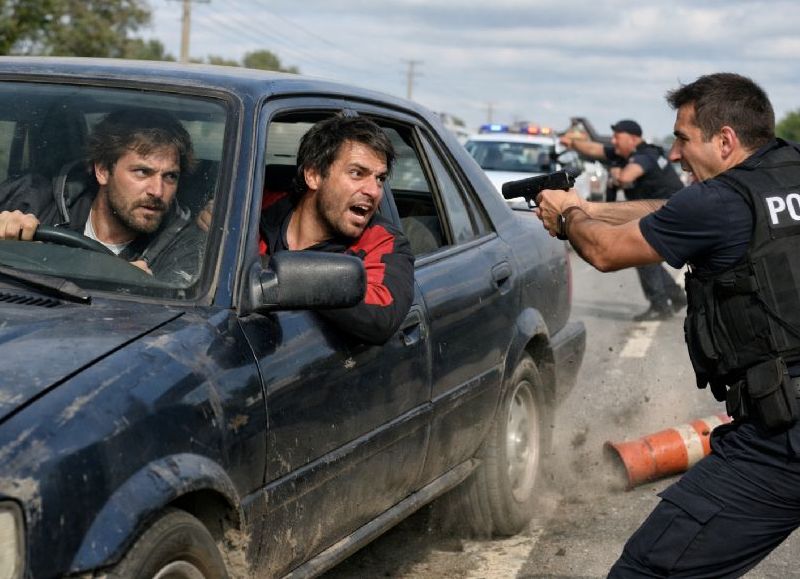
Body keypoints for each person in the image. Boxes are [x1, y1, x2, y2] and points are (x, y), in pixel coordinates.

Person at [537, 72, 800, 577]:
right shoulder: (783, 174)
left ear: (725, 141)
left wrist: (571, 219)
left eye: (682, 138)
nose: (675, 154)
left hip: (781, 441)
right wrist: (592, 207)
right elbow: (676, 211)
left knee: (649, 569)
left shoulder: (722, 200)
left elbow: (605, 252)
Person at [0, 108, 204, 285]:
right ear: (103, 170)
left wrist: (149, 292)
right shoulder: (30, 200)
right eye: (142, 172)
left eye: (170, 176)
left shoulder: (185, 248)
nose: (157, 191)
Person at [259, 115, 414, 345]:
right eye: (357, 173)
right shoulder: (257, 209)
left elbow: (381, 315)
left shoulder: (383, 242)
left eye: (379, 178)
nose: (373, 191)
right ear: (313, 175)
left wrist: (286, 274)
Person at [561, 119, 687, 321]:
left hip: (670, 212)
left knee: (642, 255)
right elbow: (594, 148)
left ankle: (660, 305)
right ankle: (675, 296)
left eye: (617, 137)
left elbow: (627, 177)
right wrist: (572, 142)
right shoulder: (624, 154)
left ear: (633, 138)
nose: (613, 141)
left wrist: (615, 172)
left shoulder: (645, 155)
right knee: (647, 258)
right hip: (653, 211)